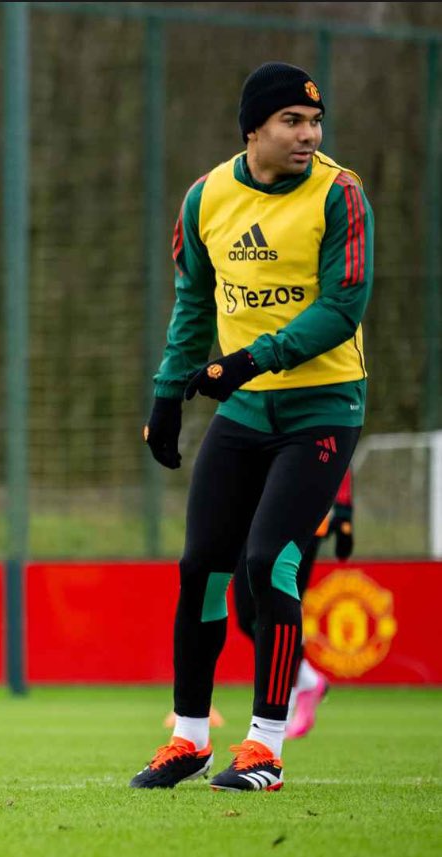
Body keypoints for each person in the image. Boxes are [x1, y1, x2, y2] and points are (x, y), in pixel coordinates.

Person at [132, 62, 372, 792]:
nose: (308, 135)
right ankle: (189, 737)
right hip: (242, 410)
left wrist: (245, 362)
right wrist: (169, 393)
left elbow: (344, 306)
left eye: (314, 122)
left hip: (323, 405)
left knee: (269, 562)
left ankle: (264, 744)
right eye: (291, 122)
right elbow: (193, 303)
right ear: (254, 130)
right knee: (201, 567)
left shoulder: (341, 193)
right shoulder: (206, 197)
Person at [231, 465, 352, 738]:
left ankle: (280, 705)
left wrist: (345, 514)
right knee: (246, 613)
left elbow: (338, 439)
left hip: (301, 513)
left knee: (277, 601)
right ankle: (306, 680)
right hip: (250, 512)